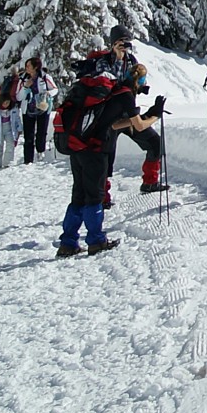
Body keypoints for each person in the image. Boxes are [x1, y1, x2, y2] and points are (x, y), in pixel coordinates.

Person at [54, 49, 158, 258]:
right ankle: (96, 240)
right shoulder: (126, 95)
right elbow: (139, 127)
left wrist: (134, 119)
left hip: (78, 145)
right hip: (96, 149)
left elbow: (113, 123)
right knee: (95, 196)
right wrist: (154, 115)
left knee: (79, 194)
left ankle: (68, 242)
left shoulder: (112, 91)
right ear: (139, 81)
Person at [104, 26, 166, 194]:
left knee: (155, 142)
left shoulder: (131, 60)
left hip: (129, 113)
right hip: (108, 117)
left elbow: (136, 79)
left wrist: (140, 87)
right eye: (121, 42)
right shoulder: (105, 62)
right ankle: (101, 195)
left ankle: (150, 182)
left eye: (127, 42)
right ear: (113, 43)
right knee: (105, 156)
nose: (125, 46)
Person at [14, 57, 53, 165]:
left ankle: (41, 152)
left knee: (41, 133)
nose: (26, 68)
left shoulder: (45, 77)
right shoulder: (23, 79)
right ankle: (28, 160)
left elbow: (54, 89)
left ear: (35, 67)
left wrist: (48, 94)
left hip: (43, 108)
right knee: (28, 136)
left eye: (28, 66)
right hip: (28, 109)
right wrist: (25, 87)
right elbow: (18, 96)